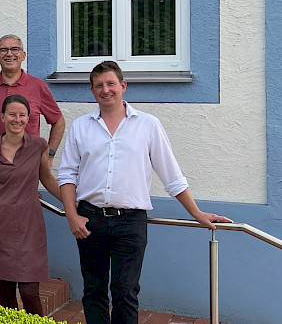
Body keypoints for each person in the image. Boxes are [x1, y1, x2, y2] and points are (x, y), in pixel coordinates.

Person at [58, 61, 232, 324]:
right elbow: (67, 175)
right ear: (92, 91)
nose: (105, 90)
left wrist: (196, 212)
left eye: (111, 83)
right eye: (99, 85)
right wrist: (72, 215)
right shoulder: (81, 126)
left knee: (125, 292)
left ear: (123, 86)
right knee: (93, 290)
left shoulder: (148, 125)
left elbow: (172, 176)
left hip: (130, 222)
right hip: (89, 220)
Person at [0, 94, 62, 315]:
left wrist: (73, 205)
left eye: (22, 115)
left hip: (30, 227)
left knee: (29, 293)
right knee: (6, 294)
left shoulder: (38, 146)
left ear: (28, 118)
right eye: (12, 114)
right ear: (2, 117)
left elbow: (47, 179)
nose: (17, 119)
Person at [0, 35, 65, 162]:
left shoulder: (37, 86)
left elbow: (58, 121)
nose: (9, 54)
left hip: (27, 164)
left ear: (23, 55)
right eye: (3, 50)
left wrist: (49, 155)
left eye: (15, 49)